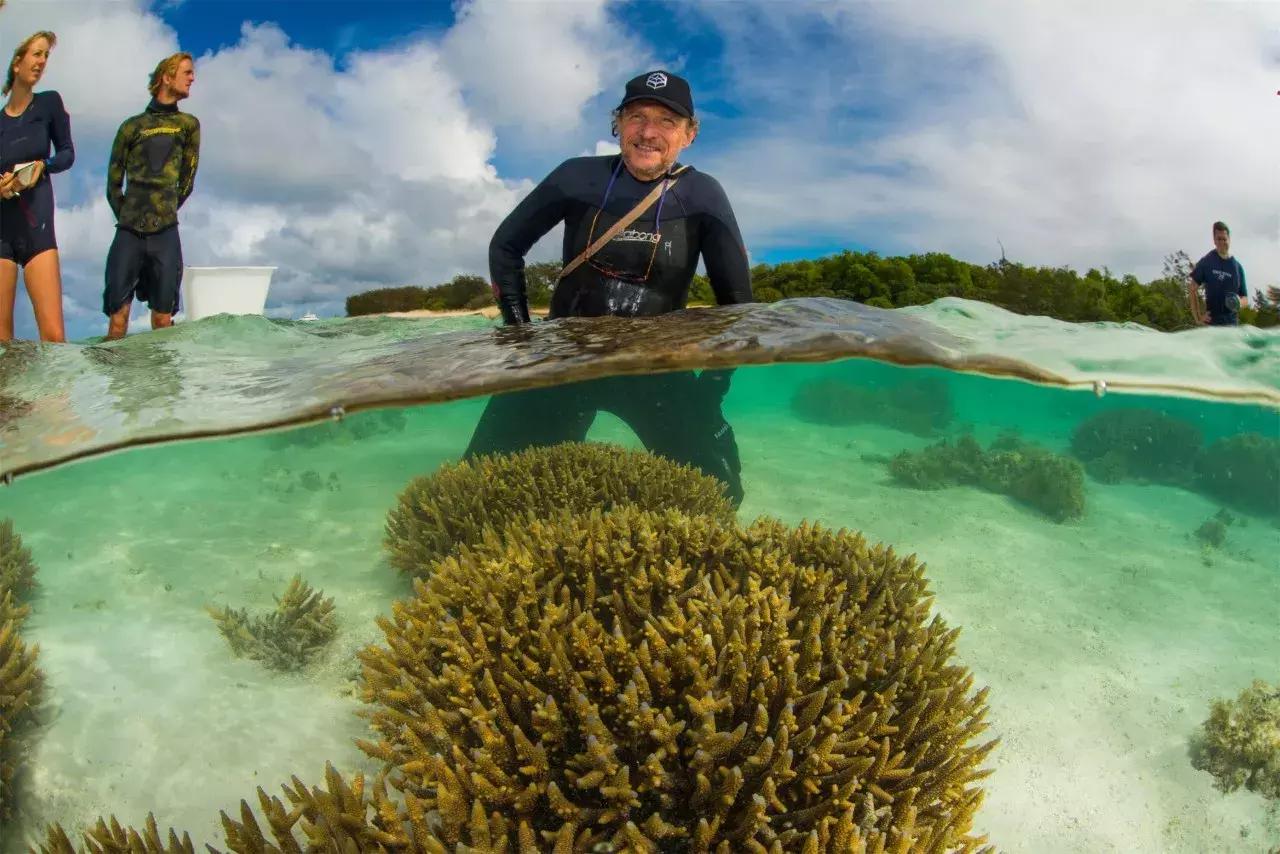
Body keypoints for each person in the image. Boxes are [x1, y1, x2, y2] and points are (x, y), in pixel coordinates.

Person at [464, 70, 754, 504]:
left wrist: (710, 390)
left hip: (656, 366)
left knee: (720, 493)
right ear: (617, 123)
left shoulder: (704, 196)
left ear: (690, 134)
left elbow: (737, 304)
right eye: (637, 117)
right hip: (563, 360)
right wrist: (523, 340)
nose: (648, 133)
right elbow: (506, 246)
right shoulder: (577, 178)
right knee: (480, 487)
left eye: (667, 122)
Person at [103, 52, 200, 339]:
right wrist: (131, 215)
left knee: (162, 320)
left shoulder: (188, 125)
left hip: (166, 231)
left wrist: (164, 210)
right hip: (129, 231)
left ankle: (163, 384)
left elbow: (187, 181)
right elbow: (112, 184)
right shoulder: (131, 126)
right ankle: (117, 384)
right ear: (166, 77)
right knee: (118, 321)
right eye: (187, 72)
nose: (192, 78)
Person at [0, 30, 74, 343]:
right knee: (2, 342)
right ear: (17, 63)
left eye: (46, 56)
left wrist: (43, 167)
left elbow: (67, 154)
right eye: (36, 54)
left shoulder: (49, 104)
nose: (42, 62)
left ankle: (56, 395)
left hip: (37, 229)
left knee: (54, 336)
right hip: (2, 229)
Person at [1188, 221, 1247, 326]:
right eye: (1218, 239)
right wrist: (1198, 317)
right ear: (1214, 240)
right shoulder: (1207, 262)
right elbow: (1192, 288)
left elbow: (1245, 299)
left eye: (1224, 239)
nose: (1222, 242)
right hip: (1212, 325)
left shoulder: (1237, 267)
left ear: (1229, 239)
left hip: (1232, 326)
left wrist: (1239, 303)